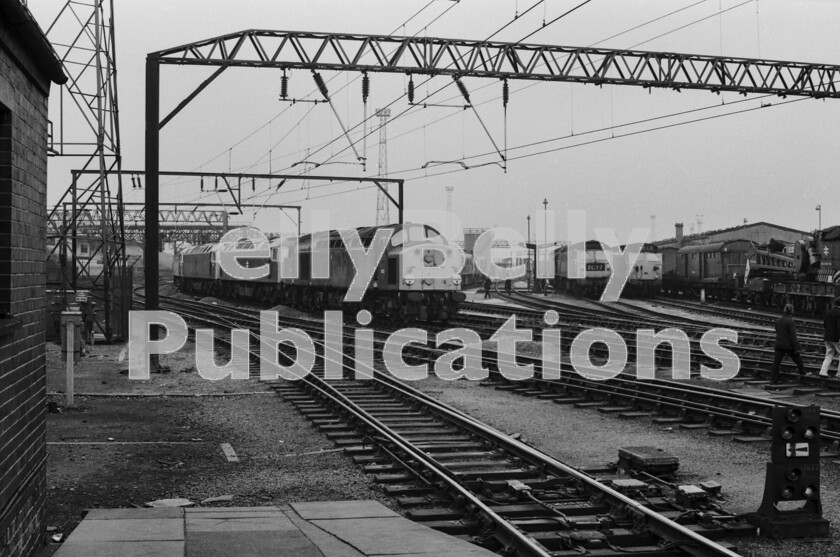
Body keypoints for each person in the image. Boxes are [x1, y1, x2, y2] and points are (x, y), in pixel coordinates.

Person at [770, 304, 809, 384]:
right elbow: (793, 336)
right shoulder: (790, 321)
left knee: (776, 363)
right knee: (798, 360)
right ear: (792, 311)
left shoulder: (778, 320)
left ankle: (773, 380)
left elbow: (777, 331)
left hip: (779, 344)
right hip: (788, 345)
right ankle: (803, 373)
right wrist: (796, 348)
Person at [819, 297, 840, 377]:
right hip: (836, 338)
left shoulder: (828, 312)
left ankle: (823, 371)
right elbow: (839, 326)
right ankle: (839, 374)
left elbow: (825, 325)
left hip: (827, 337)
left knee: (829, 354)